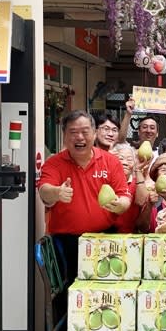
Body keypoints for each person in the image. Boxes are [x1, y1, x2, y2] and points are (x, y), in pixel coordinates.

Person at [37, 110, 131, 282]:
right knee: (69, 291)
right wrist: (57, 192)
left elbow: (124, 197)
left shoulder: (110, 161)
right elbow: (44, 190)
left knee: (104, 288)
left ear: (94, 134)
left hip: (104, 238)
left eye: (85, 132)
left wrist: (120, 205)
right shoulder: (54, 163)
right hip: (66, 241)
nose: (79, 137)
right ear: (64, 136)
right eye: (73, 132)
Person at [109, 142, 150, 233]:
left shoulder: (137, 182)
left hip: (130, 235)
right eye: (120, 158)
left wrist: (138, 169)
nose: (124, 162)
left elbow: (141, 201)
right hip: (107, 234)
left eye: (129, 159)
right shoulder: (106, 180)